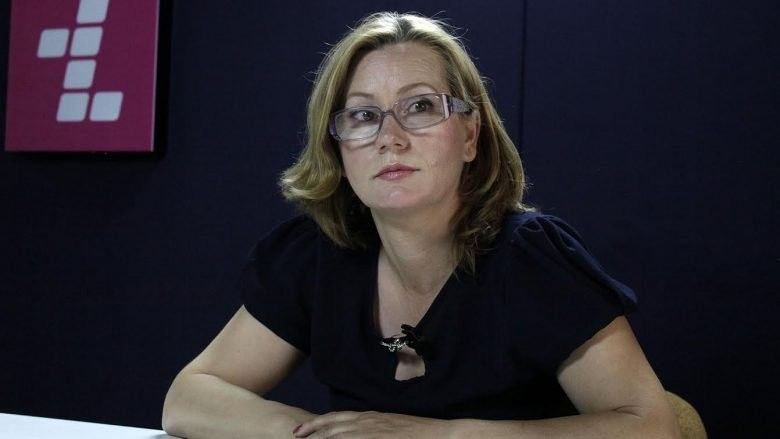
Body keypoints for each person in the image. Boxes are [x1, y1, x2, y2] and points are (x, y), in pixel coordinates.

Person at [162, 11, 681, 438]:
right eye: (363, 115)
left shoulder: (531, 260)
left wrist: (441, 437)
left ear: (470, 136)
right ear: (337, 149)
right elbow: (189, 396)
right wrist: (318, 434)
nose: (390, 137)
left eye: (420, 107)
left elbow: (652, 426)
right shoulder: (318, 254)